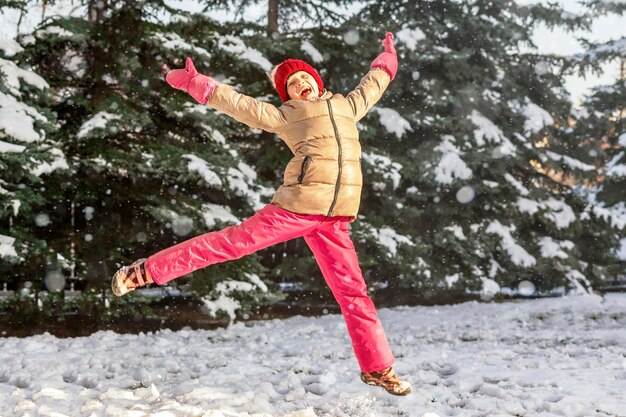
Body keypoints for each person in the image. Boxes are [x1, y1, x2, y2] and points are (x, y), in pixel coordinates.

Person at [111, 32, 411, 396]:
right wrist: (198, 84)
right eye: (292, 83)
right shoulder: (286, 115)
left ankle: (378, 368)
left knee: (354, 294)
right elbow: (241, 104)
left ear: (317, 82)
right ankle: (143, 272)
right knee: (231, 244)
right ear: (288, 95)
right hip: (295, 208)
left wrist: (387, 60)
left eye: (305, 78)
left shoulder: (347, 106)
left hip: (336, 220)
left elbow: (374, 84)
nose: (301, 84)